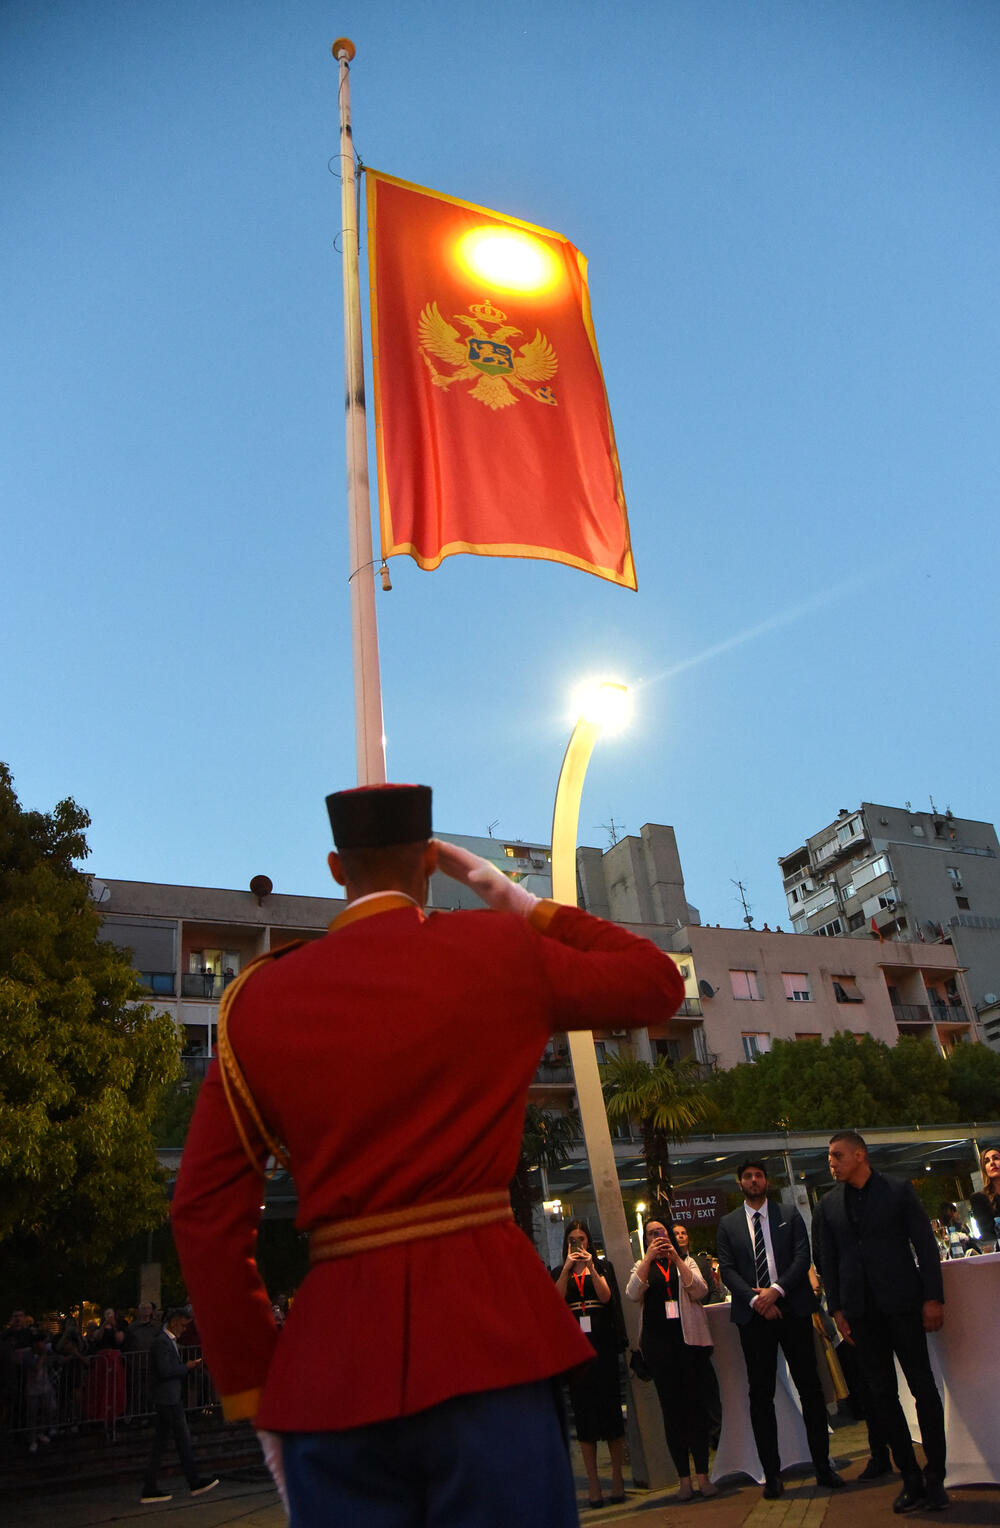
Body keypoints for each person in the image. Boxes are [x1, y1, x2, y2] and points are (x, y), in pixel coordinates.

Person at [170, 782, 685, 1528]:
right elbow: (656, 983)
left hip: (332, 1370)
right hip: (492, 1341)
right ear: (429, 865)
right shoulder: (500, 949)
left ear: (335, 868)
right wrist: (509, 895)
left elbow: (201, 1214)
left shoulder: (256, 1000)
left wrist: (257, 1389)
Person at [815, 1132, 947, 1514]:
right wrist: (837, 1310)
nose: (831, 1163)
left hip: (904, 1305)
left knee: (923, 1388)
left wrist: (933, 1297)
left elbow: (925, 1244)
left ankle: (936, 1476)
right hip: (860, 1315)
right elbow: (827, 1260)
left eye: (838, 1155)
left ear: (860, 1155)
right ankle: (910, 1478)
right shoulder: (828, 1206)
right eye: (829, 1157)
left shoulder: (897, 1190)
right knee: (881, 1397)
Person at [716, 1159, 843, 1500]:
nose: (754, 1181)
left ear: (766, 1181)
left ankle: (822, 1466)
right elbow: (726, 1269)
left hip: (793, 1308)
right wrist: (755, 1299)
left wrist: (777, 1291)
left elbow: (803, 1258)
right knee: (760, 1395)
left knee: (810, 1389)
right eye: (748, 1176)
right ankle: (771, 1474)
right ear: (739, 1182)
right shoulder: (728, 1224)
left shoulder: (789, 1214)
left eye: (759, 1176)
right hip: (753, 1315)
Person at [626, 1218, 717, 1501]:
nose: (658, 1237)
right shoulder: (642, 1266)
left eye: (661, 1232)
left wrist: (676, 1258)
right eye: (652, 1234)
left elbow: (700, 1290)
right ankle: (684, 1480)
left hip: (688, 1344)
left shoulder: (685, 1262)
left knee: (695, 1409)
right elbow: (632, 1293)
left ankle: (703, 1475)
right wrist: (648, 1259)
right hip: (658, 1347)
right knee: (673, 1413)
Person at [553, 1218, 626, 1509]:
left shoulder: (603, 1267)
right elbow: (555, 1301)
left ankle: (618, 1478)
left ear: (589, 1242)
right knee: (584, 1415)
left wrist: (591, 1266)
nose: (578, 1244)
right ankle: (594, 1483)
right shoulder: (561, 1271)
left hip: (603, 1346)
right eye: (573, 1239)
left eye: (582, 1239)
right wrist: (569, 1267)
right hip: (576, 1347)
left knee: (610, 1411)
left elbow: (607, 1297)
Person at [140, 1307, 219, 1505]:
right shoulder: (162, 1342)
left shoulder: (168, 1342)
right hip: (167, 1399)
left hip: (170, 1398)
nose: (184, 1329)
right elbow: (165, 1370)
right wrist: (188, 1366)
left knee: (166, 1443)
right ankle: (191, 1482)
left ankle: (156, 1486)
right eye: (183, 1325)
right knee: (180, 1440)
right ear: (174, 1321)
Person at [970, 1144, 1000, 1251]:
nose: (992, 1162)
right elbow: (986, 1233)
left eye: (996, 1158)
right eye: (987, 1161)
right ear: (984, 1168)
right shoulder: (979, 1198)